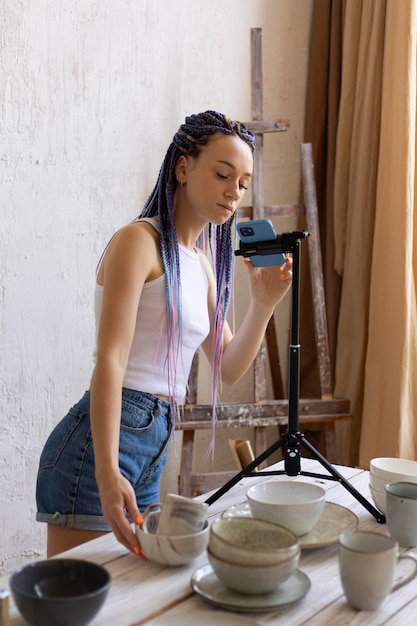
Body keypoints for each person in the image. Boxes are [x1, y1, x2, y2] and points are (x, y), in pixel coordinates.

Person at [36, 110, 293, 558]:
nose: (234, 192)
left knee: (136, 593)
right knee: (79, 601)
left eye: (243, 183)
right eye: (222, 174)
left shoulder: (202, 265)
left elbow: (229, 368)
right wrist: (106, 471)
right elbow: (110, 362)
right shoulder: (138, 242)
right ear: (183, 167)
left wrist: (265, 304)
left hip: (155, 439)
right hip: (101, 444)